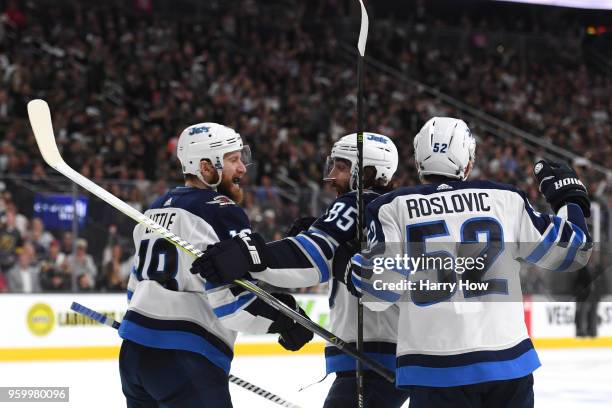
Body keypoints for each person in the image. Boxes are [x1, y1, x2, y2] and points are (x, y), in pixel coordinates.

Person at [350, 117, 593, 408]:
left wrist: (355, 261)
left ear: (418, 161)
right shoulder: (506, 199)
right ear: (467, 162)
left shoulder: (390, 207)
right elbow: (574, 250)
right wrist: (570, 198)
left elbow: (378, 293)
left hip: (434, 370)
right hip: (509, 366)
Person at [191, 133, 410, 407]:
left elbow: (311, 258)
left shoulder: (359, 203)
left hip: (373, 360)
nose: (331, 176)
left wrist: (250, 255)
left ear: (367, 171)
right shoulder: (394, 208)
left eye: (341, 167)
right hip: (397, 356)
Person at [118, 122, 313, 408]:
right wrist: (285, 318)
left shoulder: (155, 209)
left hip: (133, 354)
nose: (243, 168)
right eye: (233, 160)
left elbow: (134, 293)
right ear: (206, 168)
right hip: (185, 355)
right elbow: (232, 303)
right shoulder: (221, 210)